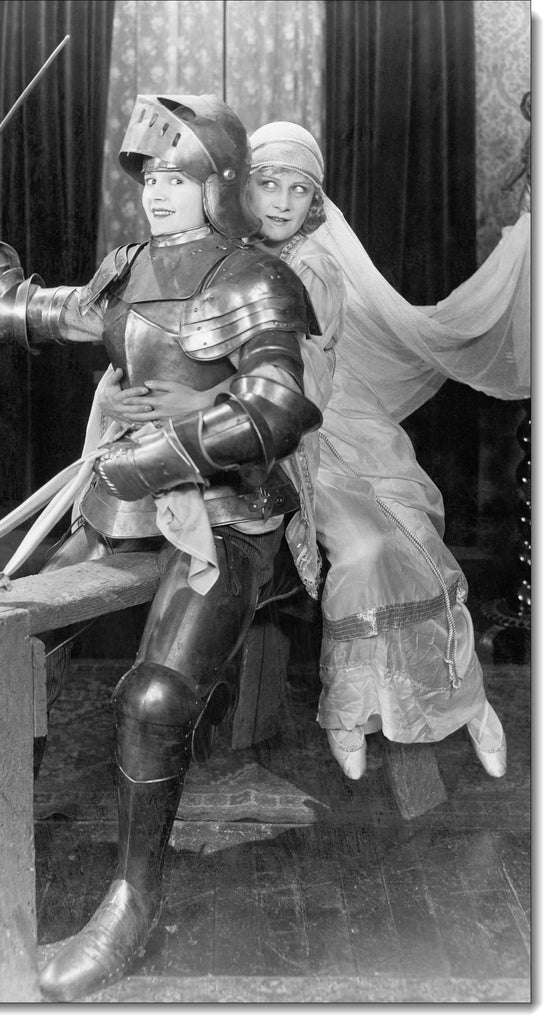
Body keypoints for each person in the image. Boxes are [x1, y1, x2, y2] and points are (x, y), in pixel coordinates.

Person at [0, 95, 324, 1001]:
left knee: (154, 695)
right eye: (151, 178)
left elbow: (280, 406)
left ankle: (134, 902)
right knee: (9, 654)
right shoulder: (128, 268)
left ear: (219, 184)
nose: (160, 193)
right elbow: (18, 309)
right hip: (124, 512)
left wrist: (158, 454)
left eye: (179, 177)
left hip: (225, 517)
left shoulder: (253, 277)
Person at [102, 120, 530, 783]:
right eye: (268, 183)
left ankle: (428, 706)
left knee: (382, 546)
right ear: (239, 189)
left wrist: (202, 402)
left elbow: (305, 388)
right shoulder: (223, 251)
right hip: (236, 429)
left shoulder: (315, 267)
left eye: (298, 191)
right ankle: (354, 707)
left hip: (316, 427)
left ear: (315, 202)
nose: (280, 202)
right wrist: (132, 391)